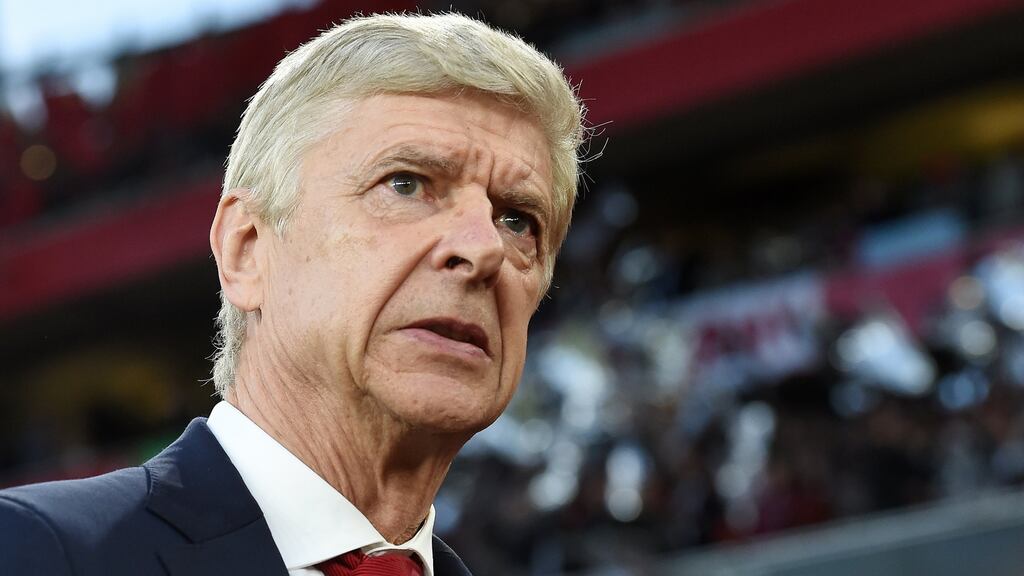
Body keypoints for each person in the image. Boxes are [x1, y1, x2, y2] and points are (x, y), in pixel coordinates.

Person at [0, 12, 585, 576]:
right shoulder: (37, 550)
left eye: (517, 220)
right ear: (246, 248)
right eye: (406, 184)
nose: (483, 248)